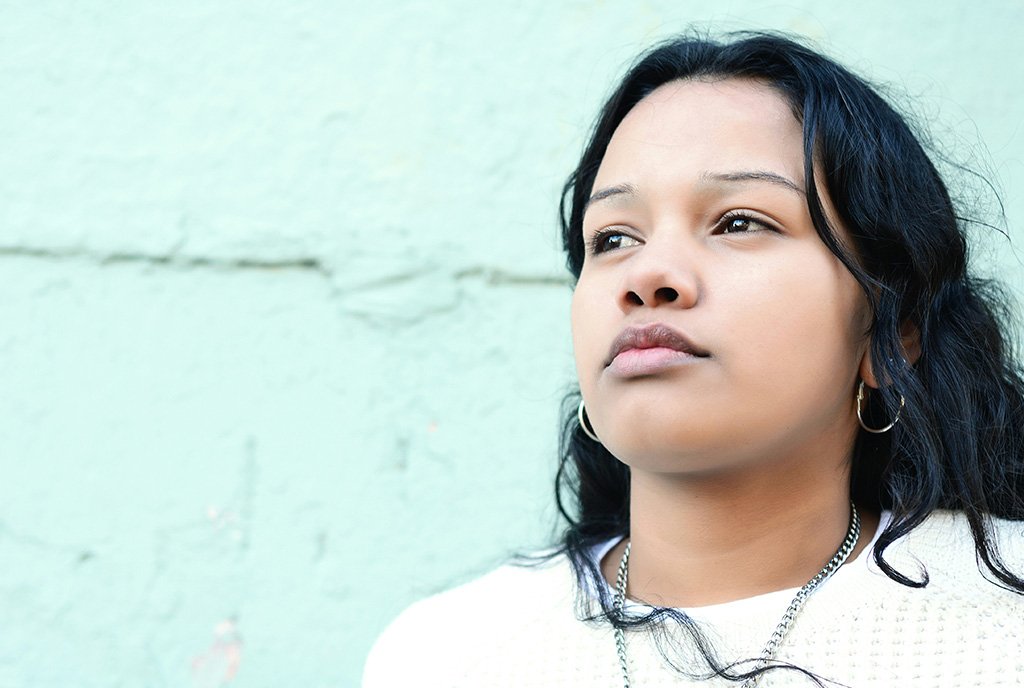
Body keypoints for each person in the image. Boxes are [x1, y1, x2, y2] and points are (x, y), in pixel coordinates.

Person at [362, 31, 1024, 687]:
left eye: (739, 222)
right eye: (613, 237)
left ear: (892, 333)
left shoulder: (1003, 630)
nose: (647, 275)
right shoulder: (441, 656)